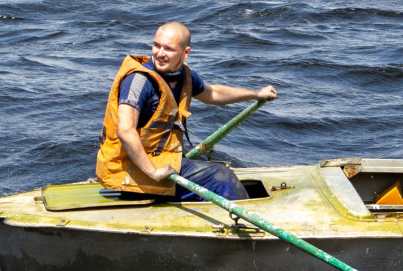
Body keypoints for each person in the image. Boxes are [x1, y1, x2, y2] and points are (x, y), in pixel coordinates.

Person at [95, 21, 277, 201]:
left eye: (168, 49)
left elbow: (211, 93)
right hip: (131, 173)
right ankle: (247, 227)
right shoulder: (138, 81)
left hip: (158, 162)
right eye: (156, 46)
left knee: (217, 173)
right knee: (222, 177)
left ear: (185, 53)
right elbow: (125, 131)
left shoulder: (184, 76)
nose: (159, 54)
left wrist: (255, 94)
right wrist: (153, 171)